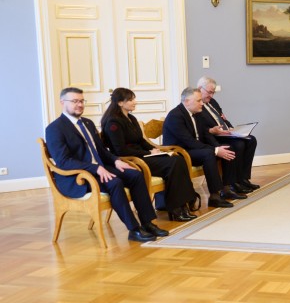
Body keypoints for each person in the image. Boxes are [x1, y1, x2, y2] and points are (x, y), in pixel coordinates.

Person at [44, 87, 167, 242]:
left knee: (135, 175)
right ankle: (134, 229)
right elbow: (64, 161)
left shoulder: (87, 123)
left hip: (100, 169)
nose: (80, 105)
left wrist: (116, 161)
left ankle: (148, 223)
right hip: (77, 177)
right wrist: (96, 168)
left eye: (82, 101)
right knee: (115, 182)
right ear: (62, 102)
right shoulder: (55, 129)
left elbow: (101, 151)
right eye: (75, 101)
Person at [101, 87, 197, 222]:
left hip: (143, 156)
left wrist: (156, 149)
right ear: (120, 103)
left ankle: (181, 204)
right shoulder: (113, 122)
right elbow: (120, 150)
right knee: (173, 163)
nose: (135, 102)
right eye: (130, 100)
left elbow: (141, 141)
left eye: (134, 99)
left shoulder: (131, 118)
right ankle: (176, 208)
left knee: (177, 158)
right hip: (131, 160)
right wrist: (148, 152)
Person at [162, 87, 240, 208]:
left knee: (226, 148)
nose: (202, 103)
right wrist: (215, 150)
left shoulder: (197, 113)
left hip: (195, 148)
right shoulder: (175, 116)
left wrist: (218, 147)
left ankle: (226, 188)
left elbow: (205, 134)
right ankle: (215, 196)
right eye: (198, 101)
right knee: (209, 154)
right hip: (181, 153)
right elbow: (189, 141)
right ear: (187, 101)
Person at [196, 76, 259, 193]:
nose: (211, 96)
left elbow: (223, 118)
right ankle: (233, 183)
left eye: (213, 93)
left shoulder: (212, 102)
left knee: (251, 140)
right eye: (209, 92)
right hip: (213, 137)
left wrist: (231, 128)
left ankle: (243, 178)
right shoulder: (197, 105)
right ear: (200, 88)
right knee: (239, 144)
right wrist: (212, 130)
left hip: (226, 133)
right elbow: (199, 127)